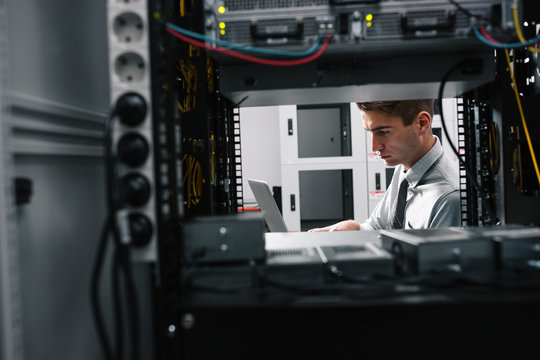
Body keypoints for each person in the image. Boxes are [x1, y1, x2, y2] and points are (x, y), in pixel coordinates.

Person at [309, 99, 460, 232]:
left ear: (422, 124)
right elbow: (378, 225)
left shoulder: (448, 199)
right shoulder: (405, 167)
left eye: (383, 132)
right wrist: (356, 228)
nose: (374, 147)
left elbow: (432, 263)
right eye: (370, 133)